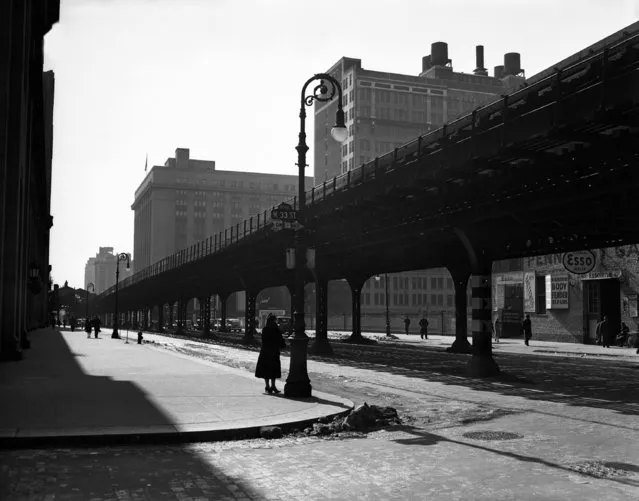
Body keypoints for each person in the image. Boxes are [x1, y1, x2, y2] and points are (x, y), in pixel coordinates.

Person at [255, 314, 286, 394]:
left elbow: (263, 340)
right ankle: (273, 386)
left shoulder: (265, 329)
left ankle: (267, 386)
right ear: (274, 320)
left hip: (265, 351)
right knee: (274, 369)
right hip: (274, 351)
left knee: (266, 369)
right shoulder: (276, 329)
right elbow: (280, 340)